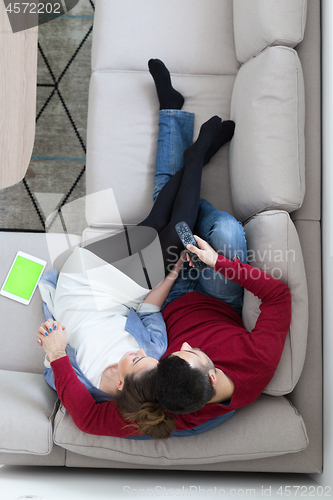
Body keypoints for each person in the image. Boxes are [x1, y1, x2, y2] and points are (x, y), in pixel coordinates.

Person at [37, 59, 237, 438]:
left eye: (139, 360)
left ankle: (197, 153)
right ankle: (196, 147)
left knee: (172, 235)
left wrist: (55, 349)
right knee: (159, 224)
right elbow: (148, 308)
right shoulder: (157, 357)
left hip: (79, 282)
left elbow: (69, 391)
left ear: (122, 386)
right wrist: (173, 273)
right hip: (109, 284)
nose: (145, 355)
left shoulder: (91, 385)